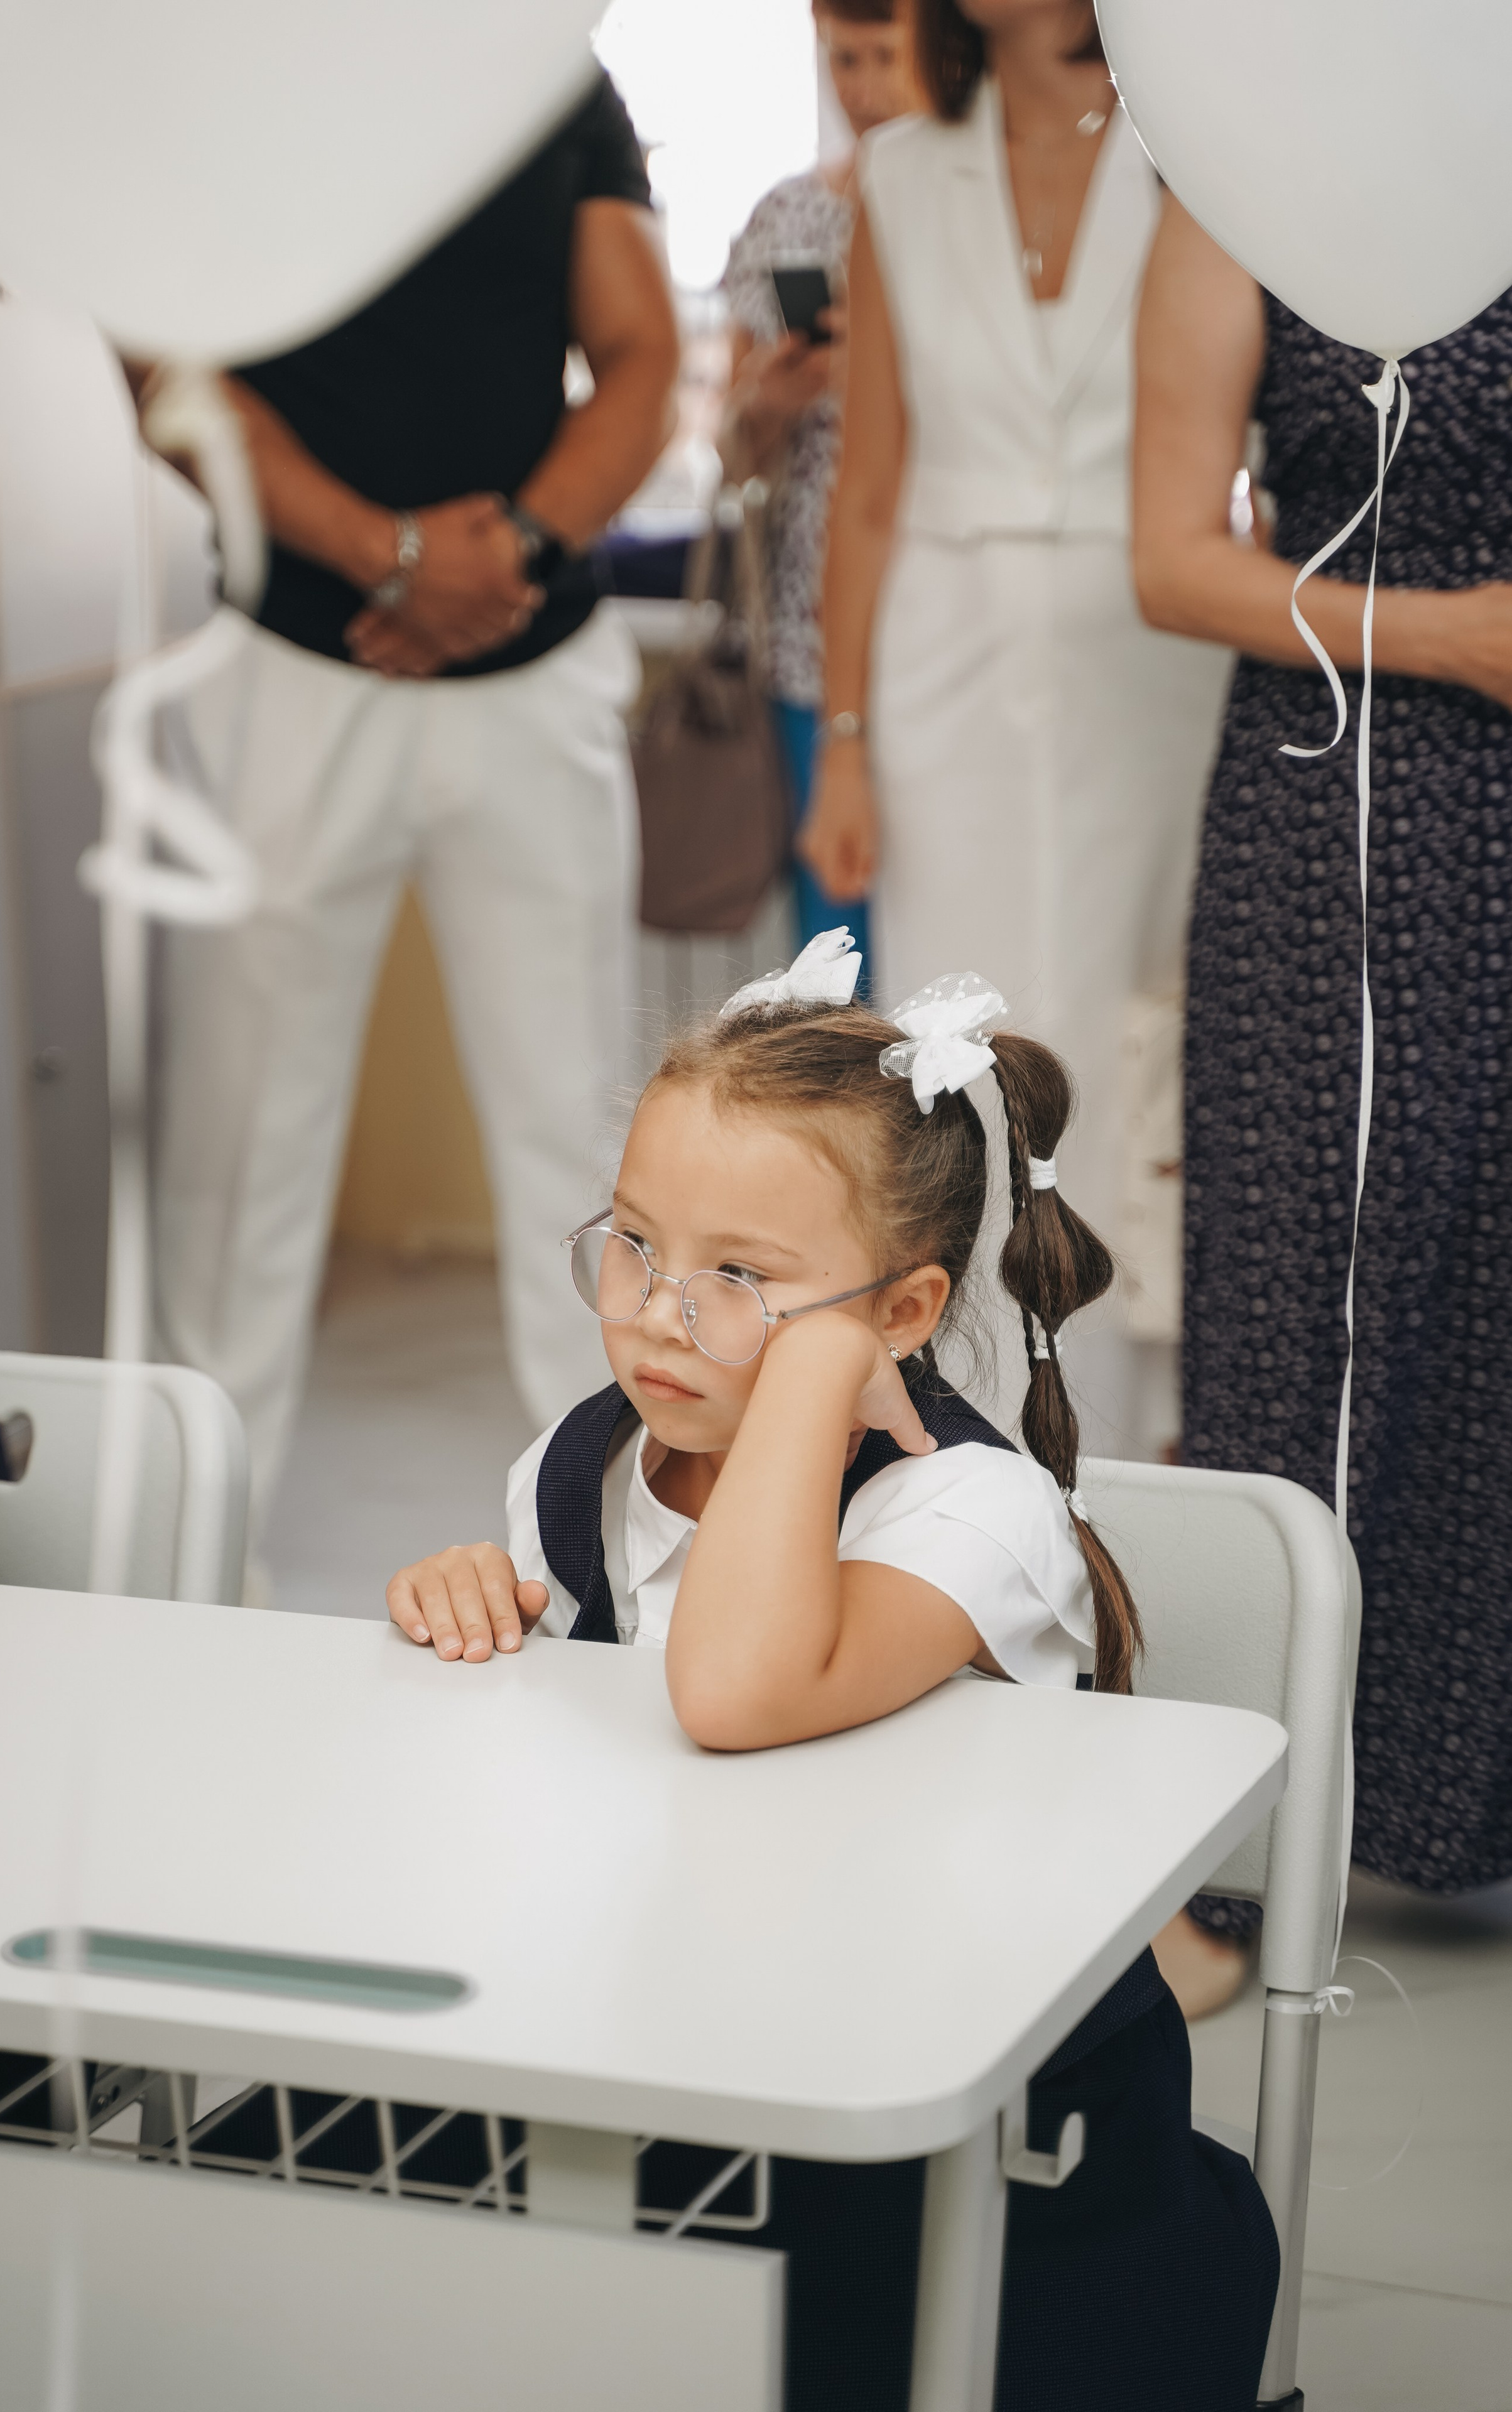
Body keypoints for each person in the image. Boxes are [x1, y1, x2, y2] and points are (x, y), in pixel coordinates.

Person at [385, 928, 1280, 2412]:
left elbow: (735, 1692)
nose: (657, 1312)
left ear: (904, 1313)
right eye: (634, 1243)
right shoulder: (581, 1468)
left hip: (963, 2152)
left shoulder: (971, 1515)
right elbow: (567, 1773)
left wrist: (813, 1370)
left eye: (739, 1276)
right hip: (681, 2062)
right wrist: (471, 1602)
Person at [132, 70, 679, 1544]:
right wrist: (385, 555)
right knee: (243, 1143)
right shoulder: (222, 60)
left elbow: (638, 356)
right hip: (287, 665)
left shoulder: (551, 73)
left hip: (533, 657)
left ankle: (612, 1557)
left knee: (586, 1140)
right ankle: (196, 1553)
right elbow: (160, 370)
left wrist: (509, 544)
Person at [1133, 202, 1512, 1948]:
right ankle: (1222, 1834)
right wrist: (1453, 638)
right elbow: (1168, 559)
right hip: (1340, 794)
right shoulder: (1251, 180)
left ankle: (1461, 1802)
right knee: (1301, 1305)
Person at [802, 0, 1232, 1464]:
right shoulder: (903, 174)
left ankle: (1151, 1434)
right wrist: (841, 739)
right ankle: (974, 1431)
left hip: (1157, 653)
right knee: (960, 1048)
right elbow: (864, 487)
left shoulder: (1204, 147)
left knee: (1141, 1039)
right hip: (941, 664)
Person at [719, 0, 921, 984]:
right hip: (812, 643)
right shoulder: (790, 218)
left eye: (887, 56)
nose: (867, 86)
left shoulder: (977, 220)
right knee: (838, 960)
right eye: (846, 58)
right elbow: (734, 454)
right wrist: (775, 399)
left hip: (945, 623)